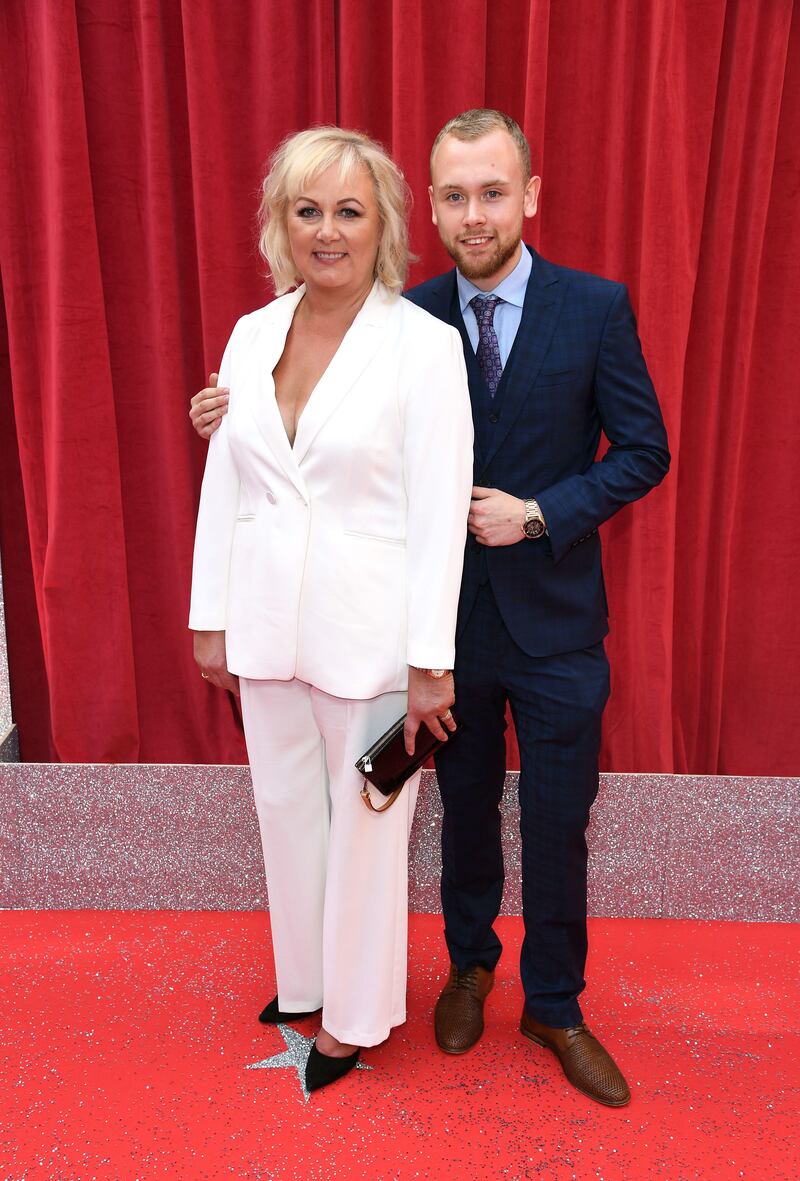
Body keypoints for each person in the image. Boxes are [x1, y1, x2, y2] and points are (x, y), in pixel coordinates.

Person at [191, 110, 670, 1107]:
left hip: (538, 618)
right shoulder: (381, 311)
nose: (473, 213)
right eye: (454, 195)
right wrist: (222, 412)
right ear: (431, 208)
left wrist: (543, 512)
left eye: (491, 192)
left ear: (528, 195)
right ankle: (465, 968)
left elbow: (641, 449)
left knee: (552, 817)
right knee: (452, 821)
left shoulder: (587, 308)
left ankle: (555, 1004)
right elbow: (284, 446)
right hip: (427, 623)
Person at [188, 126, 473, 1094]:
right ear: (280, 223)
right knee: (283, 813)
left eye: (348, 210)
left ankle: (353, 1017)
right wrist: (210, 613)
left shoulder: (424, 348)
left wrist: (431, 658)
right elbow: (231, 479)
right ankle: (303, 979)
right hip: (268, 630)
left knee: (365, 830)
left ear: (384, 224)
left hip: (370, 642)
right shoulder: (250, 332)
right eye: (307, 210)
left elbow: (440, 510)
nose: (327, 231)